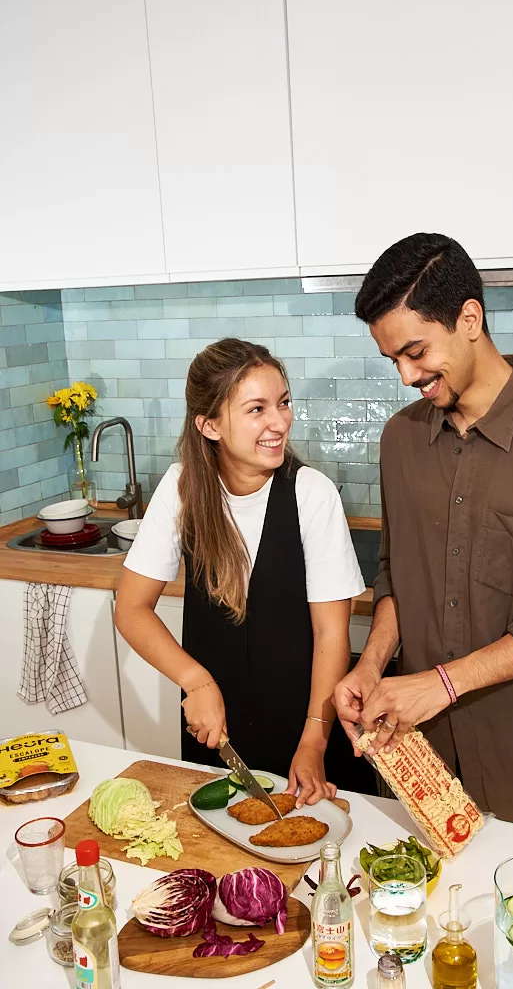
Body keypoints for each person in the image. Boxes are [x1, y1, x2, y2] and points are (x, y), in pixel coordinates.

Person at [333, 233, 513, 827]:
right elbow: (397, 576)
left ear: (470, 318)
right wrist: (371, 665)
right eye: (393, 359)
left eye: (416, 351)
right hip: (423, 771)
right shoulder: (400, 441)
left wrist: (438, 684)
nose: (407, 375)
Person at [115, 338, 375, 806]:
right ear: (209, 425)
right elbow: (131, 609)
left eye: (283, 402)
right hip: (216, 732)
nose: (280, 422)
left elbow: (331, 634)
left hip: (306, 732)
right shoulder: (181, 488)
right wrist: (195, 682)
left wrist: (315, 738)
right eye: (257, 409)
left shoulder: (311, 494)